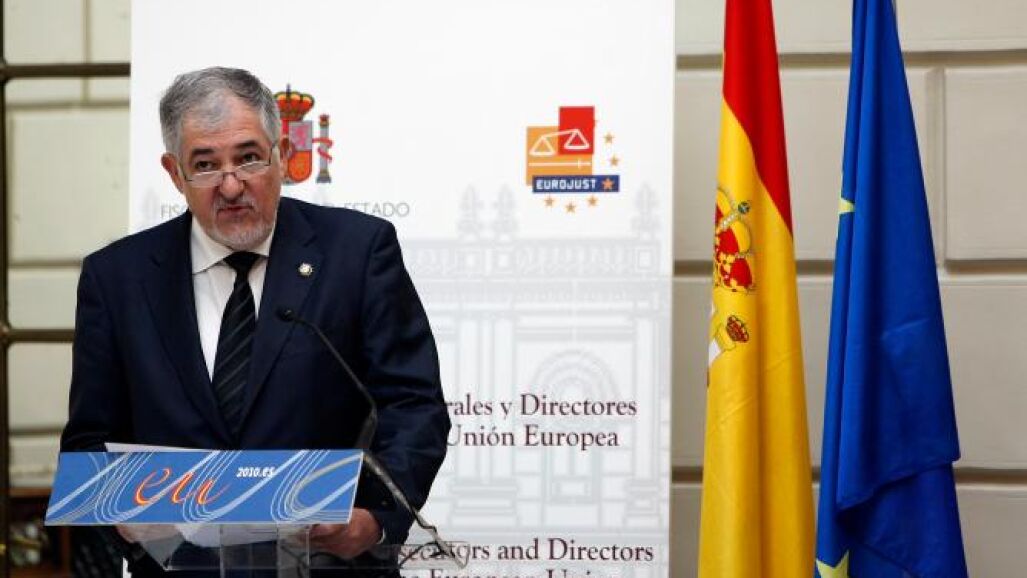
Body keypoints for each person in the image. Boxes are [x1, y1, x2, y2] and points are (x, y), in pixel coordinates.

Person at [59, 66, 450, 576]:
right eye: (205, 165)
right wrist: (124, 518)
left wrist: (376, 519)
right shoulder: (117, 278)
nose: (231, 185)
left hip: (327, 565)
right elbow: (90, 438)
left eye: (248, 158)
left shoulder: (357, 252)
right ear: (174, 173)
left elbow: (413, 404)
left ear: (281, 155)